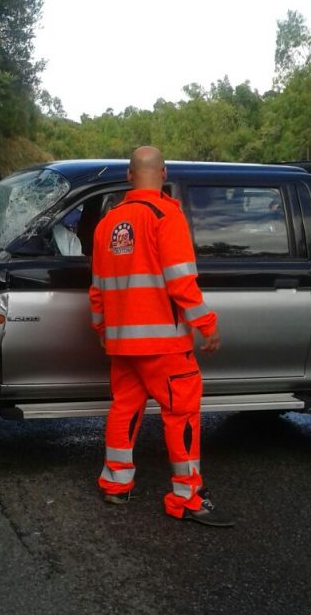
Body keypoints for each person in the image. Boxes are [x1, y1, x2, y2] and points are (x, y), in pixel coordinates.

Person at [89, 146, 234, 527]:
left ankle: (116, 484)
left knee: (125, 409)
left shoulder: (107, 223)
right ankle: (186, 496)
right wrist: (207, 324)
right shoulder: (166, 215)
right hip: (164, 344)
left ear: (128, 176)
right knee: (182, 414)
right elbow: (181, 280)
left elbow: (97, 290)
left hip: (122, 343)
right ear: (164, 173)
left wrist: (104, 330)